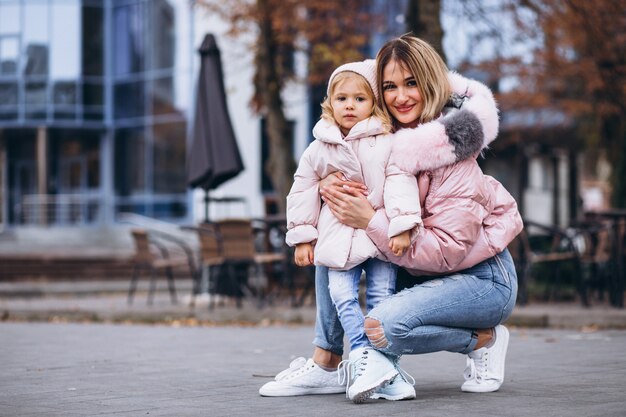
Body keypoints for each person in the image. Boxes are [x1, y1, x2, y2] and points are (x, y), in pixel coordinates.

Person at [260, 34, 520, 402]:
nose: (401, 96)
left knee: (384, 328)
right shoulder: (379, 138)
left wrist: (370, 220)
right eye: (390, 86)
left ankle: (485, 339)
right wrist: (329, 184)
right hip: (417, 272)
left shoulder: (454, 155)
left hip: (479, 280)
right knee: (337, 239)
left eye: (412, 83)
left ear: (431, 82)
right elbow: (351, 91)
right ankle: (327, 362)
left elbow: (446, 253)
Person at [284, 60, 422, 401]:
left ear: (373, 103)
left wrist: (402, 225)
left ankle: (385, 365)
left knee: (380, 300)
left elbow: (399, 181)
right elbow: (301, 189)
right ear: (330, 102)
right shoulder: (319, 147)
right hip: (336, 238)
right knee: (341, 294)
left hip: (378, 237)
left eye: (360, 99)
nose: (350, 105)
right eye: (342, 98)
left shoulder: (386, 142)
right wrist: (303, 236)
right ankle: (364, 354)